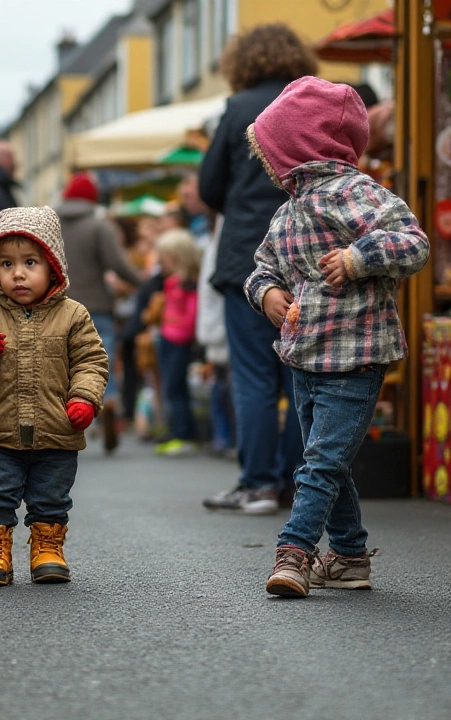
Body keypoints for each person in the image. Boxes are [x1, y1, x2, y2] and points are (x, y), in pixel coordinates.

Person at [243, 77, 429, 599]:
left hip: (357, 353)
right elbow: (259, 269)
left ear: (296, 145)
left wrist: (358, 257)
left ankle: (295, 551)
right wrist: (268, 295)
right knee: (329, 457)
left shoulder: (358, 193)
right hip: (305, 354)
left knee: (321, 460)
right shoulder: (286, 212)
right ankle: (347, 556)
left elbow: (413, 244)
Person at [0, 206, 108, 587]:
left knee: (51, 498)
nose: (18, 273)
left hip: (57, 431)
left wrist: (85, 398)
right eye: (6, 263)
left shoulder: (73, 315)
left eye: (30, 262)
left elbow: (91, 361)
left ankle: (48, 546)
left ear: (53, 266)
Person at [198, 23, 314, 516]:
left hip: (247, 254)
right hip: (308, 255)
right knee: (299, 375)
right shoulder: (310, 103)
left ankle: (257, 483)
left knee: (251, 379)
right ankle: (295, 482)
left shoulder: (239, 107)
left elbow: (209, 186)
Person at [57, 172, 143, 453]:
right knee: (100, 361)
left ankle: (66, 418)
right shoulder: (99, 226)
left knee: (63, 365)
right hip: (96, 307)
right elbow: (117, 264)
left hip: (57, 307)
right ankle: (110, 402)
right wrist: (145, 281)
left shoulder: (50, 223)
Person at [153, 229, 202, 457]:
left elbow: (190, 315)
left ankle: (183, 433)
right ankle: (175, 430)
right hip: (168, 337)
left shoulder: (187, 283)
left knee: (175, 386)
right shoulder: (174, 282)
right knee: (171, 386)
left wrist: (174, 325)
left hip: (177, 339)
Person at [197, 219, 235, 456]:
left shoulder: (221, 234)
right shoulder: (216, 234)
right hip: (217, 330)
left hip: (222, 327)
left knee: (229, 390)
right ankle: (223, 438)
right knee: (220, 389)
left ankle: (231, 439)